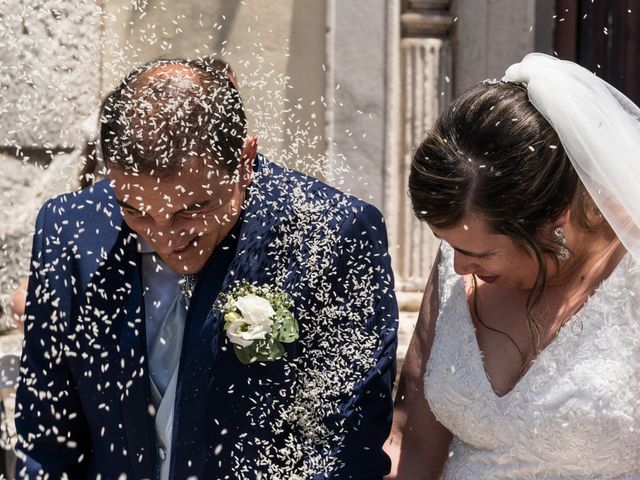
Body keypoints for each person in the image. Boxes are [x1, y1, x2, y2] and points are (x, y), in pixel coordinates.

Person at [15, 58, 398, 479]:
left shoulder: (332, 233)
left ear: (245, 160)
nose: (164, 236)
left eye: (193, 209)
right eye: (135, 210)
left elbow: (343, 445)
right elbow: (46, 435)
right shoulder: (69, 228)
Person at [385, 53, 640, 478]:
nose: (460, 266)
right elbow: (412, 441)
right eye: (448, 246)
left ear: (553, 219)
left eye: (482, 254)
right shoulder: (459, 258)